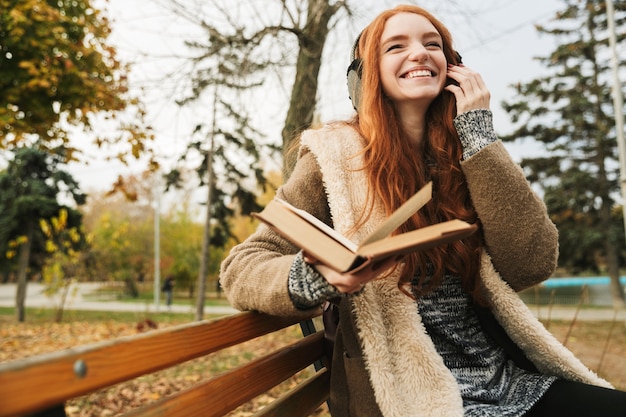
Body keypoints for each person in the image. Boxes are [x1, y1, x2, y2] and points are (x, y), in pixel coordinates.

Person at [220, 5, 626, 416]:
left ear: (454, 69)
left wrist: (479, 135)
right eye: (396, 46)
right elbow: (241, 268)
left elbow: (531, 264)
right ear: (364, 77)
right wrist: (316, 275)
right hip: (412, 397)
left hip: (507, 382)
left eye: (433, 45)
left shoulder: (469, 155)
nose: (420, 53)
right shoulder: (333, 158)